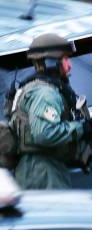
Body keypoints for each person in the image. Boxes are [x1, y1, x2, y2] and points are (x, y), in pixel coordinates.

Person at [12, 33, 92, 189]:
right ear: (51, 62)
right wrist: (84, 127)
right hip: (43, 173)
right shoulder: (45, 93)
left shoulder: (35, 87)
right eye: (65, 59)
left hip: (42, 168)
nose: (70, 65)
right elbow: (45, 134)